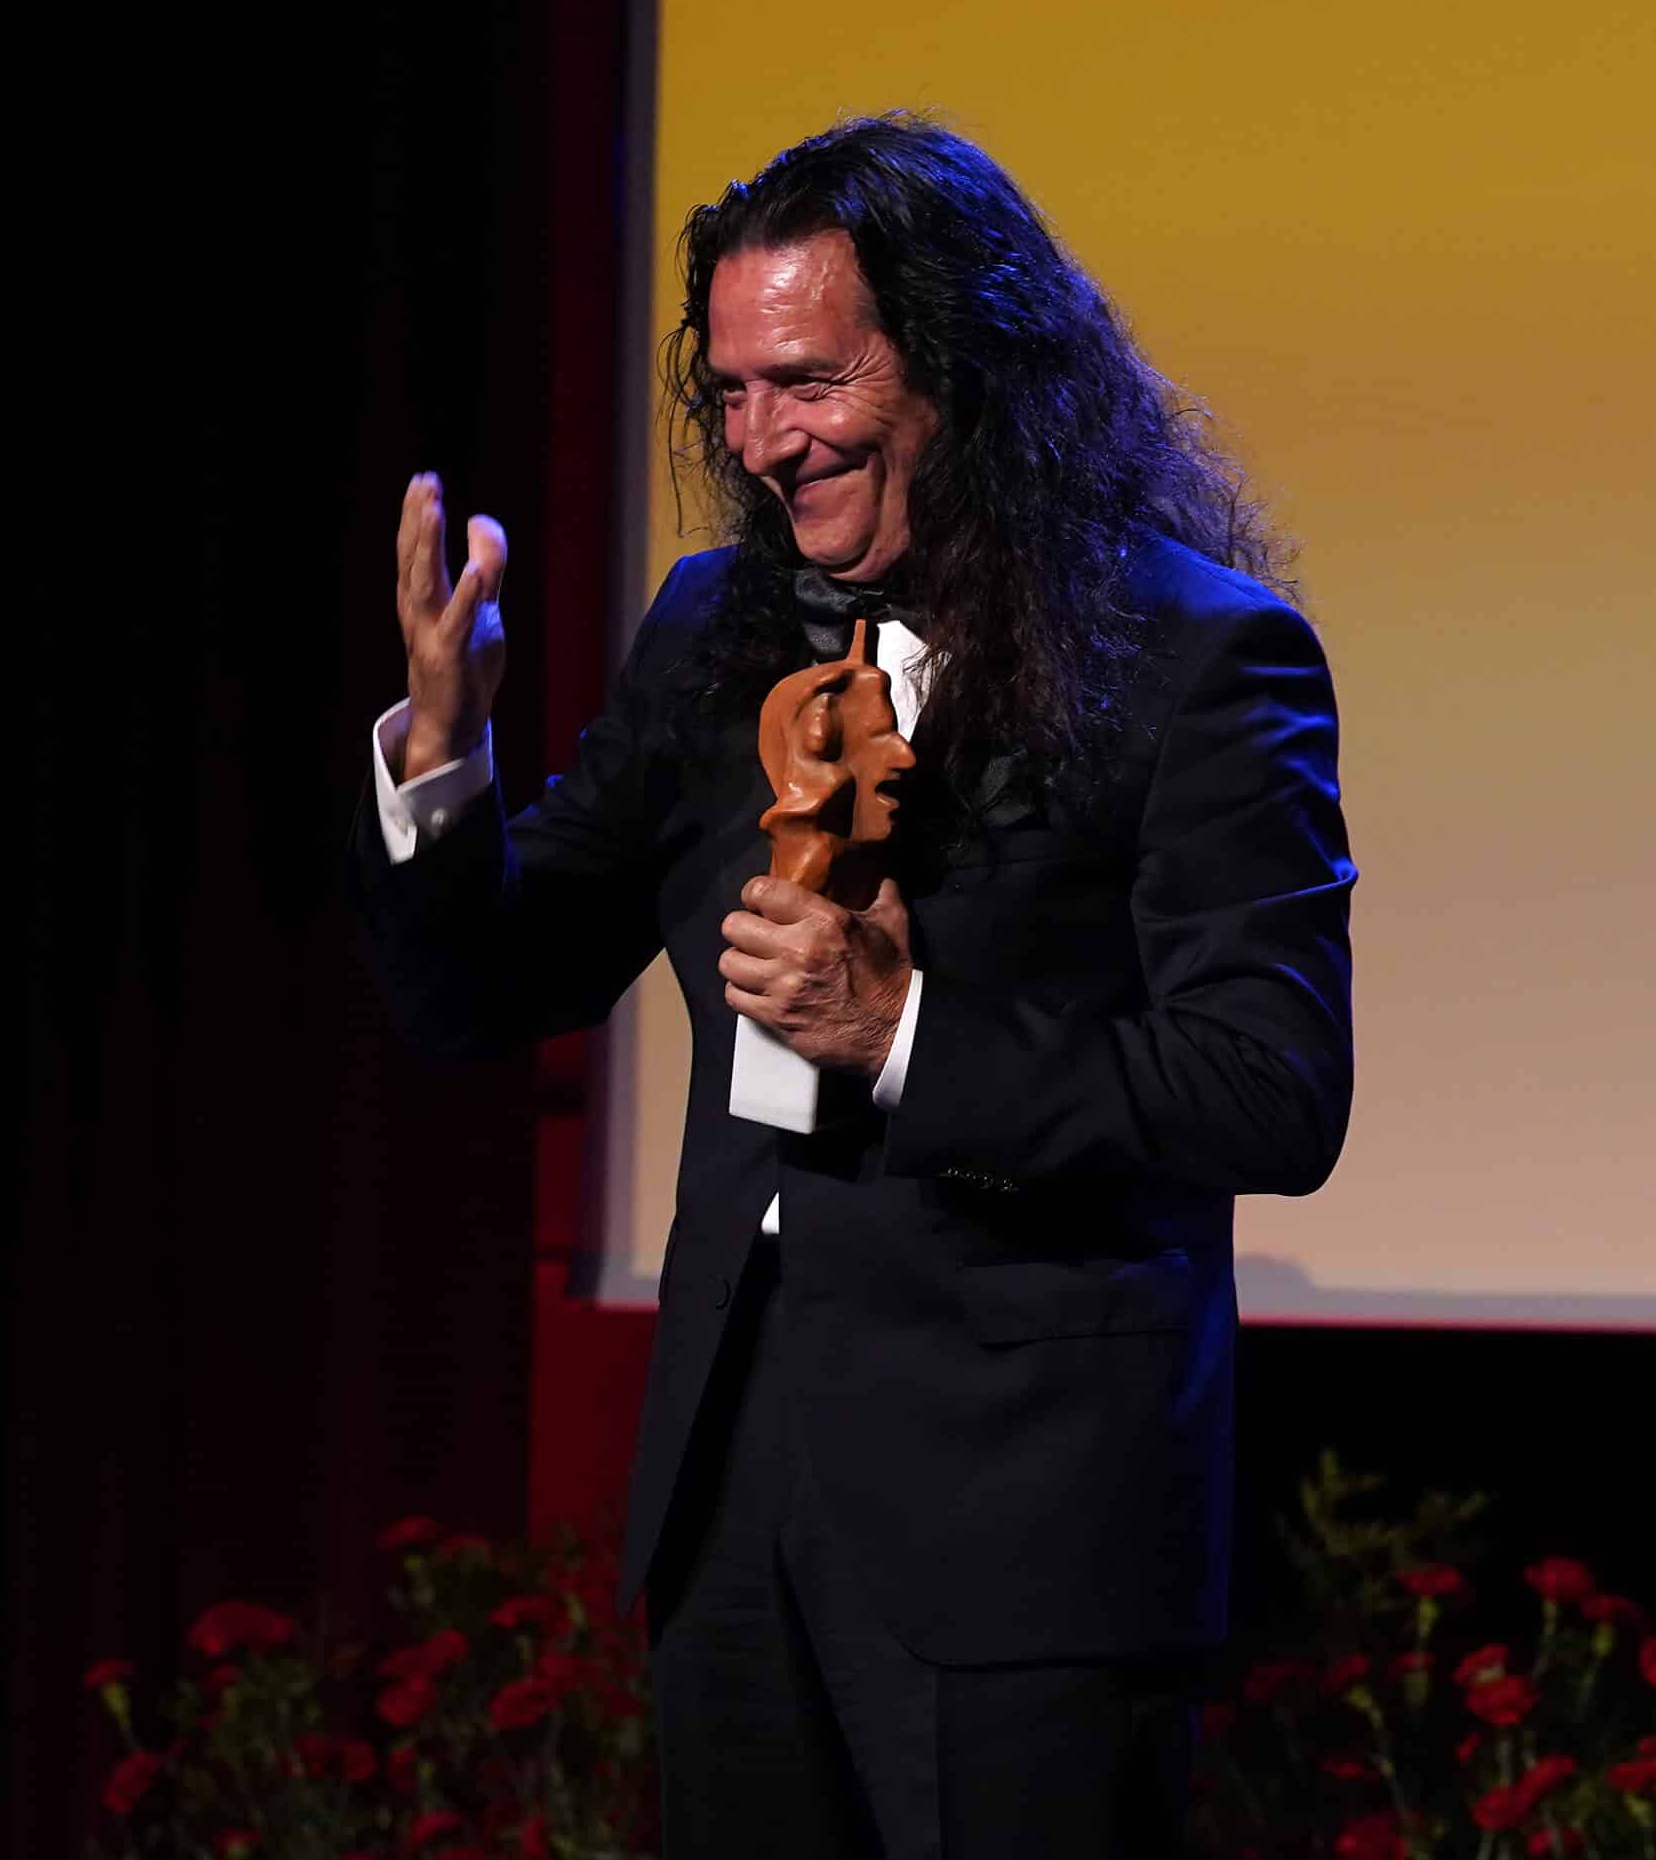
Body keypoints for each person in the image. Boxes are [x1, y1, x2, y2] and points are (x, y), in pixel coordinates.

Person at [354, 116, 1354, 1857]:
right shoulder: (713, 628)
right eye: (731, 392)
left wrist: (903, 1034)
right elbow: (486, 985)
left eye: (807, 382)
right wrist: (442, 760)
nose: (762, 441)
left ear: (960, 362)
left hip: (1027, 1542)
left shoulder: (1197, 657)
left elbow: (1272, 1083)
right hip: (735, 1519)